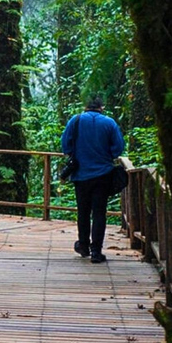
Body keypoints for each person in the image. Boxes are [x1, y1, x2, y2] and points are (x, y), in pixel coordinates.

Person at [61, 97, 125, 263]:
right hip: (103, 174)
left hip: (81, 175)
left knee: (83, 212)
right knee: (99, 213)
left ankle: (83, 246)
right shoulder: (109, 123)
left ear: (85, 106)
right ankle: (96, 251)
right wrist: (106, 155)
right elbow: (118, 148)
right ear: (102, 107)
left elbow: (65, 146)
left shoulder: (75, 121)